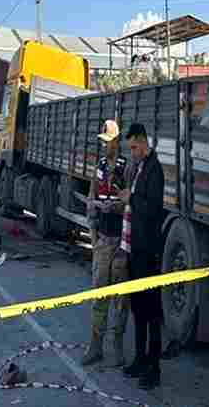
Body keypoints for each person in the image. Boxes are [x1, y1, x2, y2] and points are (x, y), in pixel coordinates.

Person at [82, 120, 130, 367]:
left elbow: (133, 201)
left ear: (117, 141)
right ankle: (95, 347)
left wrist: (118, 206)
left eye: (108, 142)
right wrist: (92, 235)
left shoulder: (128, 167)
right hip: (102, 239)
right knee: (99, 296)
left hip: (121, 244)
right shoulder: (99, 167)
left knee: (121, 299)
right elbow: (91, 198)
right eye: (102, 142)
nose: (104, 146)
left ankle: (117, 348)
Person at [120, 123, 165, 390]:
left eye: (135, 147)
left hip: (148, 252)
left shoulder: (154, 169)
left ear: (144, 142)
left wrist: (131, 197)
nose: (133, 152)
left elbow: (152, 208)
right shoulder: (138, 167)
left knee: (151, 312)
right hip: (134, 250)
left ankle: (153, 367)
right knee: (137, 309)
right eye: (131, 149)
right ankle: (139, 358)